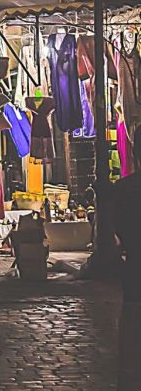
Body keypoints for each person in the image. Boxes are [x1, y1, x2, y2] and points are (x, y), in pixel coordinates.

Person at [113, 125, 141, 390]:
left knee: (132, 319)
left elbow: (117, 228)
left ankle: (129, 371)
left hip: (135, 263)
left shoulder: (123, 189)